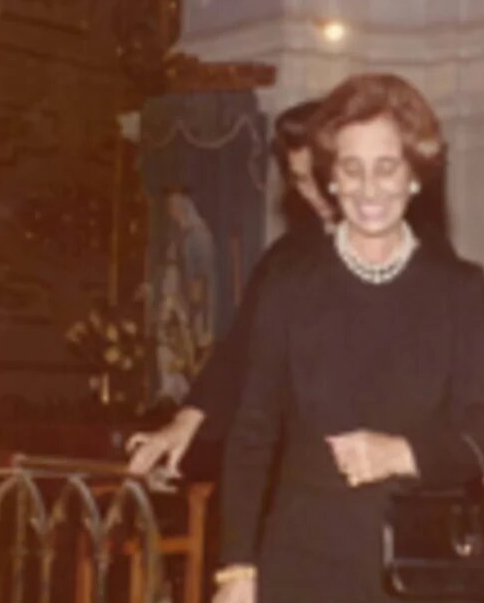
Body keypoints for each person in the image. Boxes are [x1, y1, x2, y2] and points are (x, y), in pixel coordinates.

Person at [211, 73, 484, 603]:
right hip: (306, 568)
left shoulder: (458, 288)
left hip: (429, 576)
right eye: (351, 168)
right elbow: (252, 432)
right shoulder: (288, 285)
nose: (369, 188)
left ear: (415, 176)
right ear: (332, 178)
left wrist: (401, 453)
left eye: (387, 167)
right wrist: (237, 565)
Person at [126, 100, 336, 481]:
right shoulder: (287, 257)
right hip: (292, 465)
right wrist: (184, 422)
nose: (314, 194)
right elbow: (239, 349)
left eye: (320, 177)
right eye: (300, 180)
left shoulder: (408, 258)